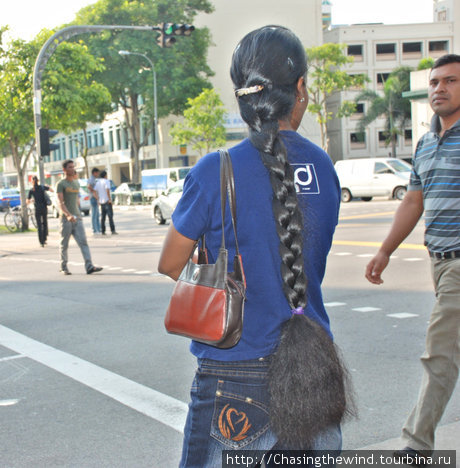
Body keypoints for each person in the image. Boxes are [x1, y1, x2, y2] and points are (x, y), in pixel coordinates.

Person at [158, 26, 351, 466]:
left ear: (242, 96)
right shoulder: (323, 167)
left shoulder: (215, 171)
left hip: (235, 367)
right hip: (314, 363)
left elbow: (171, 264)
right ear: (300, 88)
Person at [365, 54, 460, 460]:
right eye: (435, 82)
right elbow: (413, 202)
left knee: (439, 351)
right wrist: (385, 250)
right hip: (438, 263)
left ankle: (416, 444)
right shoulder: (424, 143)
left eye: (451, 81)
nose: (440, 88)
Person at [56, 160, 102, 275]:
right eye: (70, 167)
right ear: (65, 170)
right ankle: (64, 267)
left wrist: (78, 214)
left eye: (73, 167)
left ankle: (89, 266)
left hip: (77, 218)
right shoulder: (61, 184)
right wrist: (68, 215)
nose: (72, 169)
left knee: (83, 242)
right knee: (64, 243)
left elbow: (76, 200)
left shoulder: (76, 183)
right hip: (66, 219)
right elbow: (60, 203)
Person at [27, 175, 51, 247]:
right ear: (38, 181)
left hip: (37, 208)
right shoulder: (42, 187)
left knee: (39, 225)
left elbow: (27, 201)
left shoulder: (32, 190)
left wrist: (32, 200)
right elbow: (51, 189)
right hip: (44, 207)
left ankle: (41, 242)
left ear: (32, 182)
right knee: (45, 223)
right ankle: (44, 238)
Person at [96, 170, 117, 235]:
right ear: (105, 175)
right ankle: (112, 230)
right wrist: (109, 199)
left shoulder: (98, 182)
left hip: (101, 201)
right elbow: (107, 190)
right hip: (107, 201)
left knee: (103, 217)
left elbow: (96, 191)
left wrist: (98, 200)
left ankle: (103, 230)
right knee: (110, 216)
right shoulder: (106, 181)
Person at [88, 167, 101, 234]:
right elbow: (89, 186)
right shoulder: (91, 179)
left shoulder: (95, 179)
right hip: (93, 197)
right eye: (97, 172)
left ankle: (98, 228)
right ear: (94, 173)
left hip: (95, 197)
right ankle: (94, 229)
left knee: (97, 214)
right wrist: (93, 191)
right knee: (94, 214)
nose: (98, 174)